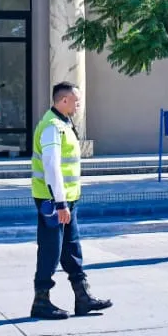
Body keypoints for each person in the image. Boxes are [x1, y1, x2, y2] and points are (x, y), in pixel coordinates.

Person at [29, 82, 113, 321]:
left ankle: (83, 297)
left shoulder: (65, 124)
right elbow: (52, 165)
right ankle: (41, 301)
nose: (78, 104)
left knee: (71, 248)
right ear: (63, 101)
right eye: (76, 100)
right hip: (53, 201)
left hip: (67, 199)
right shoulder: (52, 127)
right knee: (51, 249)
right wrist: (60, 202)